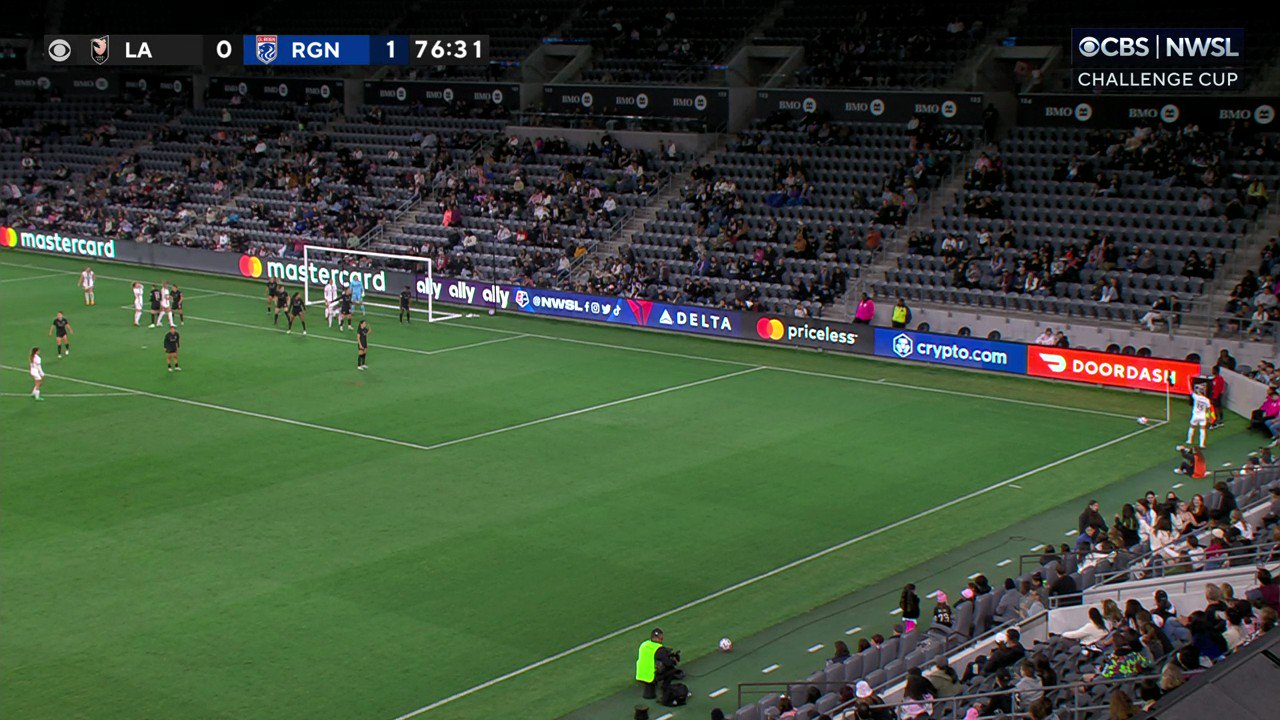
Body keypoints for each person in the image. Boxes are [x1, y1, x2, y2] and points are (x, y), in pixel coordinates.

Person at [635, 628, 675, 700]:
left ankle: (649, 689)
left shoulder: (644, 644)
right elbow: (668, 663)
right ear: (660, 638)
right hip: (651, 676)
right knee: (671, 670)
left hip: (640, 674)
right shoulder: (659, 649)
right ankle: (665, 687)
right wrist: (673, 661)